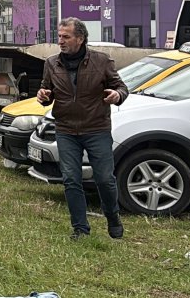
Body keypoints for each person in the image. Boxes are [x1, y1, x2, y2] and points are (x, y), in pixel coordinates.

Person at [37, 17, 128, 239]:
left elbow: (121, 87)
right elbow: (46, 91)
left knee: (105, 179)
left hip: (96, 128)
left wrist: (117, 95)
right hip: (66, 130)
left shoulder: (102, 61)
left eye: (66, 36)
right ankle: (80, 228)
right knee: (71, 179)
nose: (61, 41)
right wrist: (43, 96)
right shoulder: (52, 63)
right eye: (59, 36)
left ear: (80, 38)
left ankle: (112, 216)